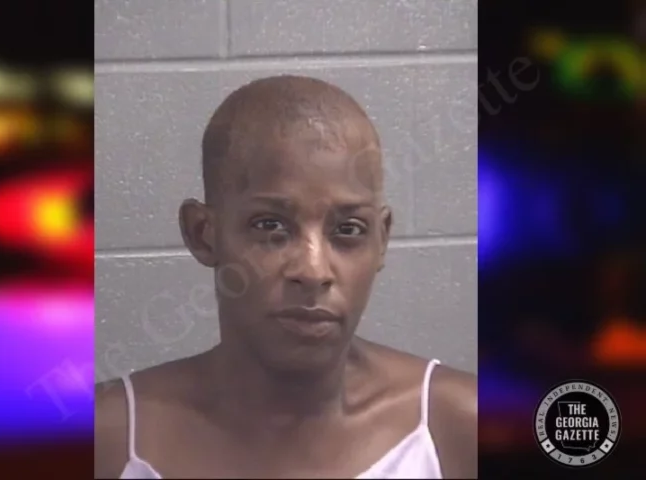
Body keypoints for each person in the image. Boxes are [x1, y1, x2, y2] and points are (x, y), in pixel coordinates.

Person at [95, 75, 477, 479]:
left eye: (348, 230)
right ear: (203, 234)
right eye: (270, 226)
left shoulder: (458, 427)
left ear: (381, 241)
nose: (313, 271)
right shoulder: (108, 439)